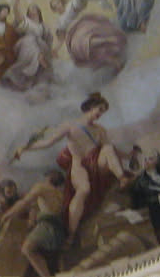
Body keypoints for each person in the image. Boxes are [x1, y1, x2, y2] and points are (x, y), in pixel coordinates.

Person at [11, 92, 126, 237]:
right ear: (91, 106)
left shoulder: (100, 130)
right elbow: (48, 142)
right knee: (83, 190)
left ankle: (122, 178)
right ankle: (71, 234)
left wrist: (129, 155)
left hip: (96, 164)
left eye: (103, 112)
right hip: (79, 166)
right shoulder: (70, 125)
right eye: (100, 109)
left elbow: (111, 150)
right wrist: (25, 148)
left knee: (108, 148)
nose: (100, 114)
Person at [2, 169, 71, 277]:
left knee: (27, 249)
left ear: (49, 178)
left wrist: (8, 214)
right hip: (59, 231)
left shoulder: (41, 187)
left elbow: (24, 202)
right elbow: (37, 207)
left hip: (47, 226)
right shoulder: (59, 194)